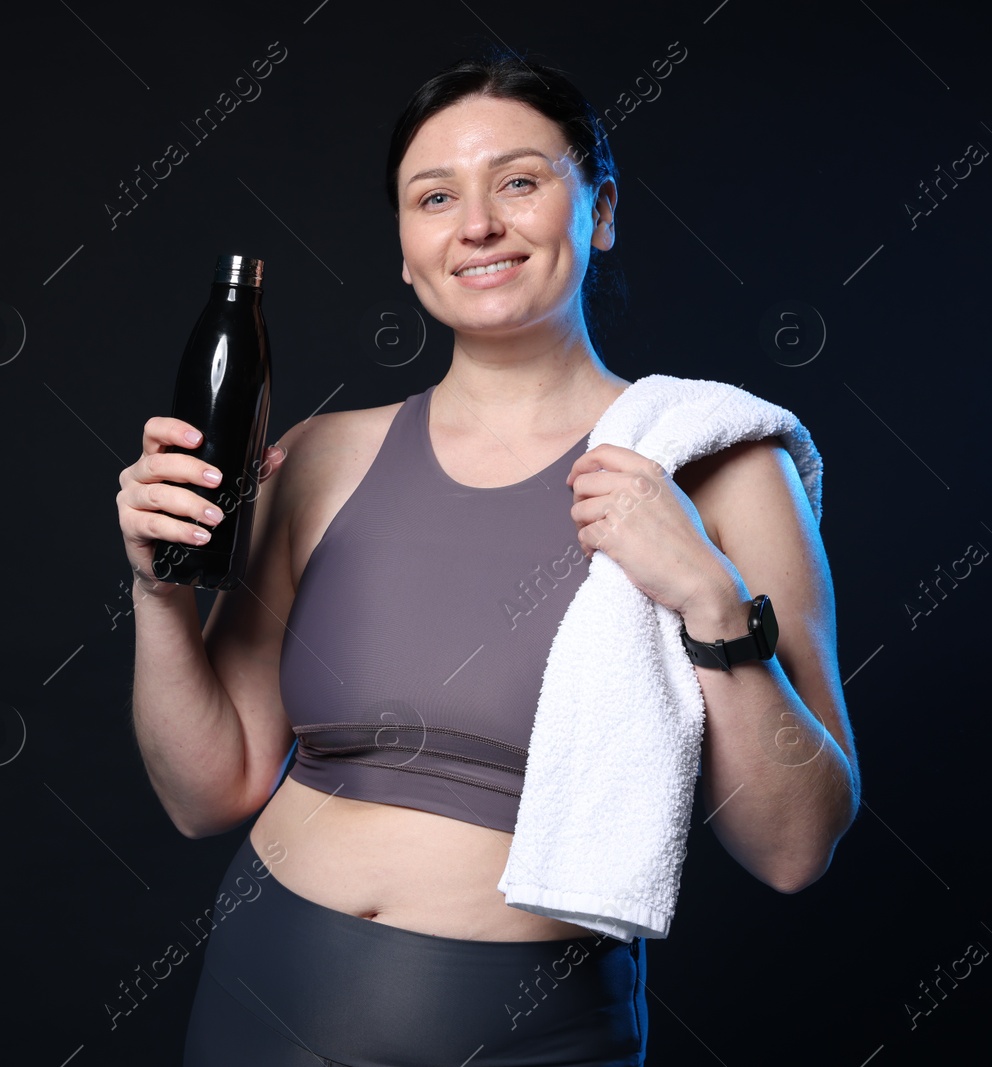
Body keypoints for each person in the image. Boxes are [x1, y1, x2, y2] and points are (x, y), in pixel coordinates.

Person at [115, 49, 859, 1067]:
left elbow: (794, 845)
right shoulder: (322, 456)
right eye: (434, 196)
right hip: (258, 1006)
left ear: (597, 211)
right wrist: (158, 600)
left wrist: (707, 596)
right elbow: (210, 789)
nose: (477, 224)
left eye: (518, 180)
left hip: (532, 1036)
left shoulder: (719, 464)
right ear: (407, 250)